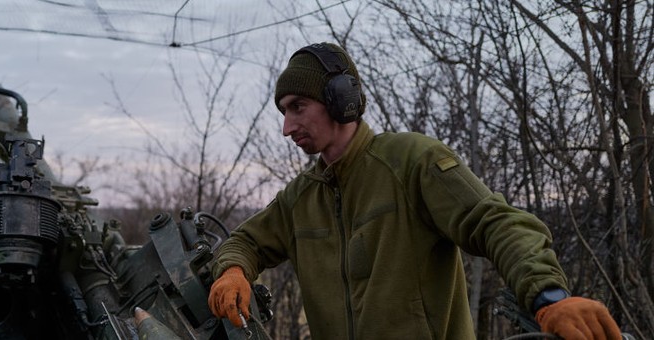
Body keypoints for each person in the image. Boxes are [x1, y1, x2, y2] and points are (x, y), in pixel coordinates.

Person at [207, 42, 622, 339]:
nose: (287, 127)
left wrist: (548, 297)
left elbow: (497, 222)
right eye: (283, 111)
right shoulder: (302, 197)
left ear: (340, 100)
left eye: (297, 107)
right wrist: (233, 270)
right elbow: (247, 240)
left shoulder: (411, 161)